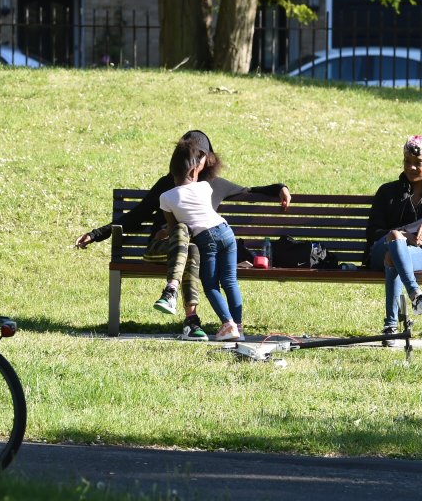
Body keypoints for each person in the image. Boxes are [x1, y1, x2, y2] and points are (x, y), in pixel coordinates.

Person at [75, 130, 291, 341]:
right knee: (189, 243)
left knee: (195, 251)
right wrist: (96, 234)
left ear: (207, 159)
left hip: (203, 250)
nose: (194, 159)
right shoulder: (167, 185)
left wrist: (280, 188)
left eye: (199, 155)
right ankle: (192, 316)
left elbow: (249, 190)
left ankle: (207, 320)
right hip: (167, 247)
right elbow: (137, 215)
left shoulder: (213, 185)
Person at [364, 135, 422, 346]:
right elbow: (373, 232)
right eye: (407, 161)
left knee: (394, 258)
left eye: (418, 163)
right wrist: (400, 235)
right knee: (394, 240)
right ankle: (416, 294)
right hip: (380, 250)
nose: (411, 167)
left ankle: (390, 327)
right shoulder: (387, 191)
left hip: (420, 254)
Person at [159, 141, 247, 342]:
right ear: (195, 169)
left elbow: (175, 229)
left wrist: (164, 234)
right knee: (230, 282)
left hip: (207, 240)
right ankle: (239, 327)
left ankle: (228, 324)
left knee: (210, 285)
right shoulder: (205, 187)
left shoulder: (166, 197)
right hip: (226, 233)